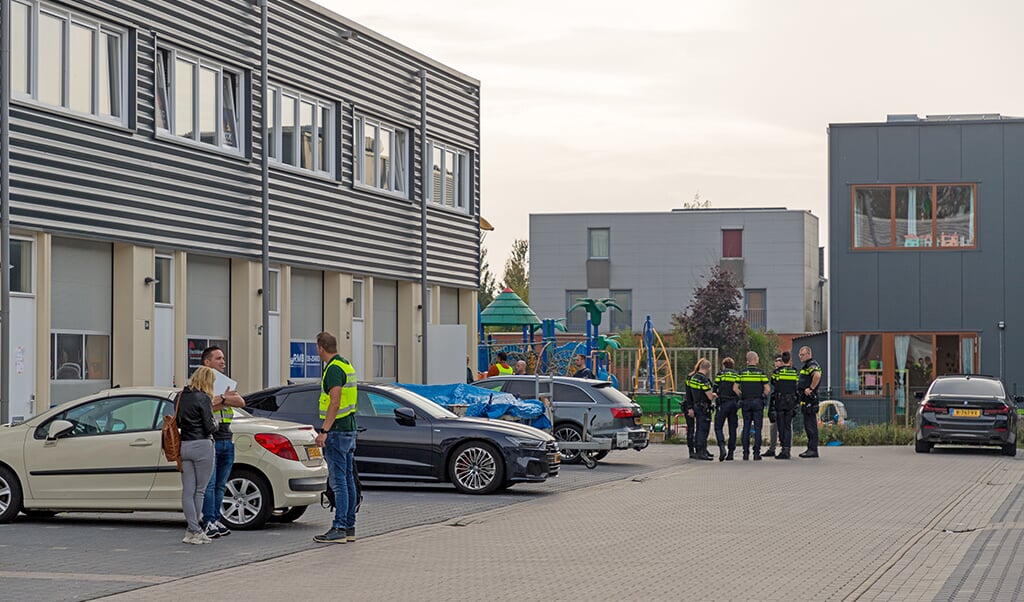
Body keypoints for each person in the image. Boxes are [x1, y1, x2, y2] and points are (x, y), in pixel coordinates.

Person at [313, 331, 359, 544]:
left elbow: (335, 401)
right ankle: (349, 526)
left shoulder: (332, 369)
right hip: (349, 428)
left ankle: (339, 527)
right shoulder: (346, 365)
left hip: (337, 431)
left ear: (321, 348)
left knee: (339, 482)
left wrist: (324, 430)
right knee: (348, 480)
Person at [200, 346, 246, 539]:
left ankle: (216, 518)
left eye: (223, 358)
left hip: (227, 438)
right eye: (218, 358)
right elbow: (206, 405)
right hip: (212, 439)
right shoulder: (202, 384)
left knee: (221, 484)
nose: (223, 362)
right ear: (207, 362)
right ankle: (208, 520)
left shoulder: (226, 384)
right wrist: (226, 398)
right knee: (210, 485)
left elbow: (241, 402)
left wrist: (224, 398)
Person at [178, 366, 218, 544]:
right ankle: (196, 530)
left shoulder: (180, 396)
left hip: (184, 445)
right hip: (202, 445)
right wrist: (216, 424)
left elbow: (178, 421)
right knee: (200, 490)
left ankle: (191, 530)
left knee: (188, 491)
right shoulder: (203, 398)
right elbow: (210, 427)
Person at [734, 351, 770, 461]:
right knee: (758, 428)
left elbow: (735, 388)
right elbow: (767, 389)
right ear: (755, 359)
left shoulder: (742, 373)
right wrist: (762, 395)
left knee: (746, 427)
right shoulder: (761, 373)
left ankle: (745, 453)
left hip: (746, 402)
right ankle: (756, 453)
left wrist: (742, 396)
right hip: (758, 402)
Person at [769, 351, 799, 460]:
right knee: (788, 425)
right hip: (791, 401)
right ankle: (787, 449)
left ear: (782, 360)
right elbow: (796, 385)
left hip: (780, 401)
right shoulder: (794, 372)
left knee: (781, 426)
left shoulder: (777, 372)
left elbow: (773, 383)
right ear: (790, 360)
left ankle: (783, 448)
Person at [685, 358, 717, 461]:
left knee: (698, 429)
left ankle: (700, 449)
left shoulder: (693, 378)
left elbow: (689, 393)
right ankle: (701, 451)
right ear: (708, 368)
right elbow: (709, 396)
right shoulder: (703, 380)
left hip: (696, 405)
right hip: (704, 407)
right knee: (703, 430)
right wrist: (714, 395)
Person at [797, 346, 823, 458]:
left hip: (810, 400)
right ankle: (810, 448)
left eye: (802, 355)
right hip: (806, 400)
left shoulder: (812, 364)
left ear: (808, 354)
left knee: (811, 425)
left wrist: (811, 388)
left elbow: (817, 375)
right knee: (808, 425)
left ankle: (813, 449)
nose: (800, 357)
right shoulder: (806, 366)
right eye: (800, 355)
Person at [713, 357, 740, 461]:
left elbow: (715, 389)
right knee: (732, 428)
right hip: (733, 403)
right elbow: (738, 389)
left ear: (724, 365)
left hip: (723, 403)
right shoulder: (737, 374)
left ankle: (722, 447)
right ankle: (731, 452)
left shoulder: (720, 374)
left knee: (718, 427)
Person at [763, 355, 784, 457]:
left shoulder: (785, 375)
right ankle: (772, 448)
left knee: (785, 427)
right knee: (773, 427)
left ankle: (785, 448)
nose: (776, 369)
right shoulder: (774, 376)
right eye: (775, 367)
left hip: (783, 404)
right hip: (775, 405)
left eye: (778, 367)